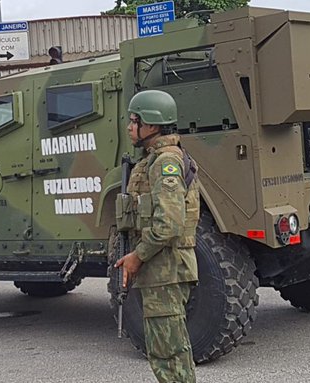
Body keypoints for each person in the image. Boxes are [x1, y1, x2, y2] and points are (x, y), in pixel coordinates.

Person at [114, 90, 200, 383]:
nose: (129, 127)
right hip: (163, 269)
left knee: (170, 355)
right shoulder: (156, 160)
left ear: (151, 125)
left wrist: (137, 256)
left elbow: (169, 223)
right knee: (167, 351)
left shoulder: (165, 163)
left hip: (167, 269)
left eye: (134, 120)